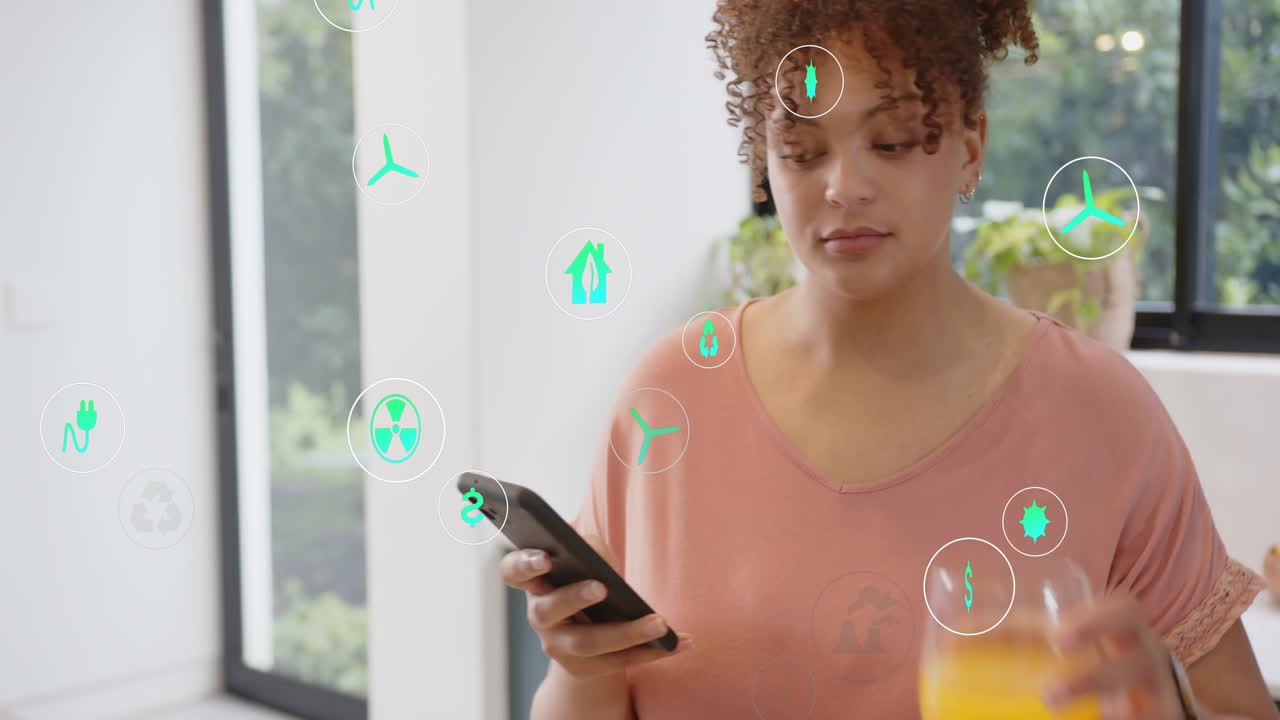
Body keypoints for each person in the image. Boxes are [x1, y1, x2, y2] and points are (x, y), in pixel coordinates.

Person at [500, 1, 1278, 717]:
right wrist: (580, 668)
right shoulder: (671, 395)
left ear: (970, 146)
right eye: (802, 151)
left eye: (892, 142)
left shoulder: (1100, 414)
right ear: (765, 168)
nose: (843, 187)